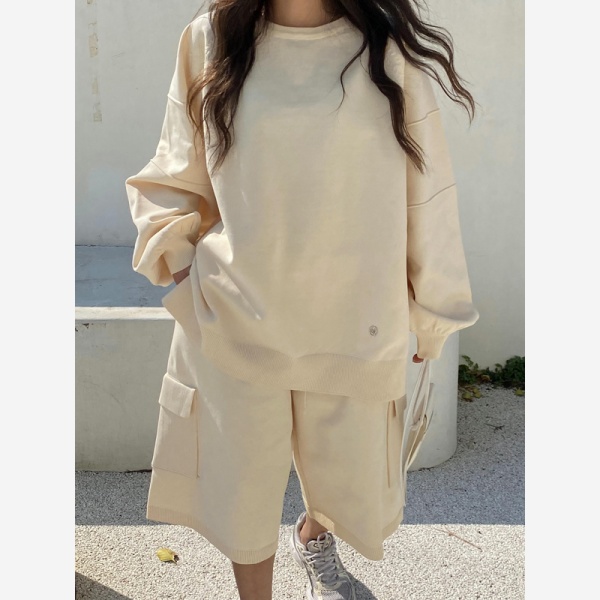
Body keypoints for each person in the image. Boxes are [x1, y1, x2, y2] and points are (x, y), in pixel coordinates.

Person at [125, 0, 479, 598]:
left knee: (347, 483)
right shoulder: (210, 39)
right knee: (242, 497)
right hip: (235, 316)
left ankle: (314, 536)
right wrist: (184, 268)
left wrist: (433, 311)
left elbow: (428, 192)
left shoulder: (389, 49)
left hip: (356, 320)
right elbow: (175, 171)